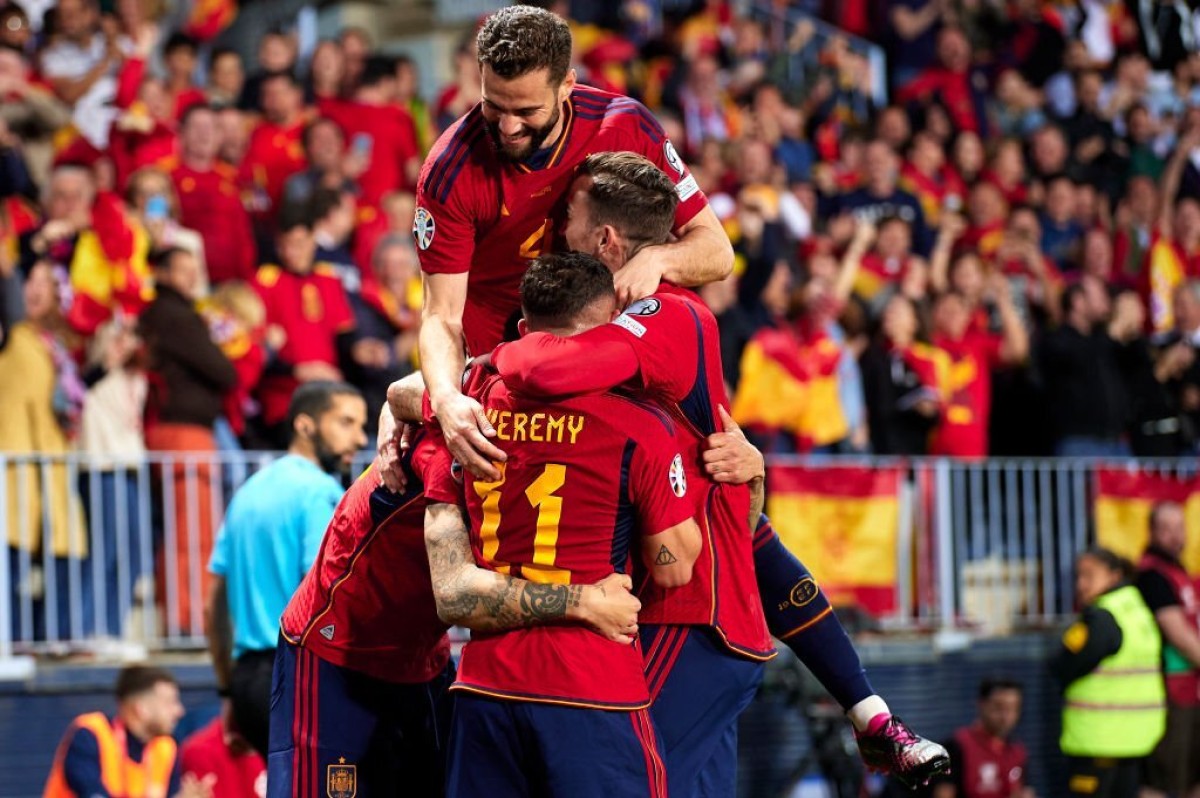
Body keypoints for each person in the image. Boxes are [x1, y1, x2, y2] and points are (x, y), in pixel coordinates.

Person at [490, 152, 949, 790]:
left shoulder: (665, 313)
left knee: (626, 783)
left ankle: (872, 714)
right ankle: (872, 715)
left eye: (567, 217)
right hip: (701, 605)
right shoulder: (625, 313)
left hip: (686, 613)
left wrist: (477, 368)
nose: (555, 230)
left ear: (606, 239)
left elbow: (549, 369)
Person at [272, 367, 645, 798]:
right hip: (337, 650)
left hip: (423, 658)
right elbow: (455, 594)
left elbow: (403, 392)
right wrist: (585, 603)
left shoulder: (574, 435)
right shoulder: (458, 438)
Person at [414, 4, 733, 481]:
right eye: (493, 105)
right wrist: (445, 399)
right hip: (504, 379)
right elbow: (440, 316)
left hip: (602, 356)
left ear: (567, 84)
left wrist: (658, 258)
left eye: (526, 111)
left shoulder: (625, 127)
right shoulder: (451, 172)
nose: (507, 126)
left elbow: (716, 250)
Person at [425, 252, 702, 798]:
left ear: (524, 329)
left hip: (484, 689)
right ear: (610, 332)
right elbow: (673, 568)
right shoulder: (640, 426)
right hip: (592, 686)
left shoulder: (469, 402)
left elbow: (416, 391)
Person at [205, 381, 367, 758]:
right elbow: (326, 593)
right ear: (305, 425)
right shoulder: (320, 492)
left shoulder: (246, 492)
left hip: (247, 685)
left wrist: (228, 691)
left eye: (361, 426)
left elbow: (212, 607)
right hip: (300, 680)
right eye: (346, 422)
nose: (360, 439)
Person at [140, 246, 236, 638]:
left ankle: (187, 618)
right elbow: (223, 371)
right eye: (183, 269)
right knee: (193, 530)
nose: (192, 277)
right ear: (162, 273)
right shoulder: (175, 315)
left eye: (195, 268)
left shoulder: (163, 314)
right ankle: (189, 621)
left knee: (187, 527)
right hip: (183, 433)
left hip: (177, 430)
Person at [1053, 547, 1166, 798]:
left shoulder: (1102, 617)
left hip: (1097, 741)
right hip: (1135, 739)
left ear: (1114, 575)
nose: (1081, 585)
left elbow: (1063, 664)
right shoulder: (1137, 609)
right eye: (1078, 576)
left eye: (1089, 575)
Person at [252, 204, 358, 448]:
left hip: (331, 397)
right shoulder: (264, 283)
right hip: (283, 402)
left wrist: (361, 350)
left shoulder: (329, 280)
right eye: (285, 245)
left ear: (313, 241)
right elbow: (259, 351)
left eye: (299, 243)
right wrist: (298, 371)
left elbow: (345, 339)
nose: (291, 252)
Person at [42, 665, 211, 798]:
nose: (179, 711)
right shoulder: (91, 735)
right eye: (169, 703)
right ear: (141, 709)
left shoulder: (165, 749)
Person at [1135, 502, 1200, 798]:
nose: (1175, 536)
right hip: (1170, 692)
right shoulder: (1153, 575)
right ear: (1151, 532)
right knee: (1161, 781)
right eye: (1166, 528)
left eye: (1179, 527)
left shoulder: (1179, 571)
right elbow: (1178, 635)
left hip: (1191, 689)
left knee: (1192, 778)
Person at [930, 678, 1032, 798]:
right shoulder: (957, 747)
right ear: (981, 704)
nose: (1006, 716)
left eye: (1013, 708)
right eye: (999, 708)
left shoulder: (1018, 751)